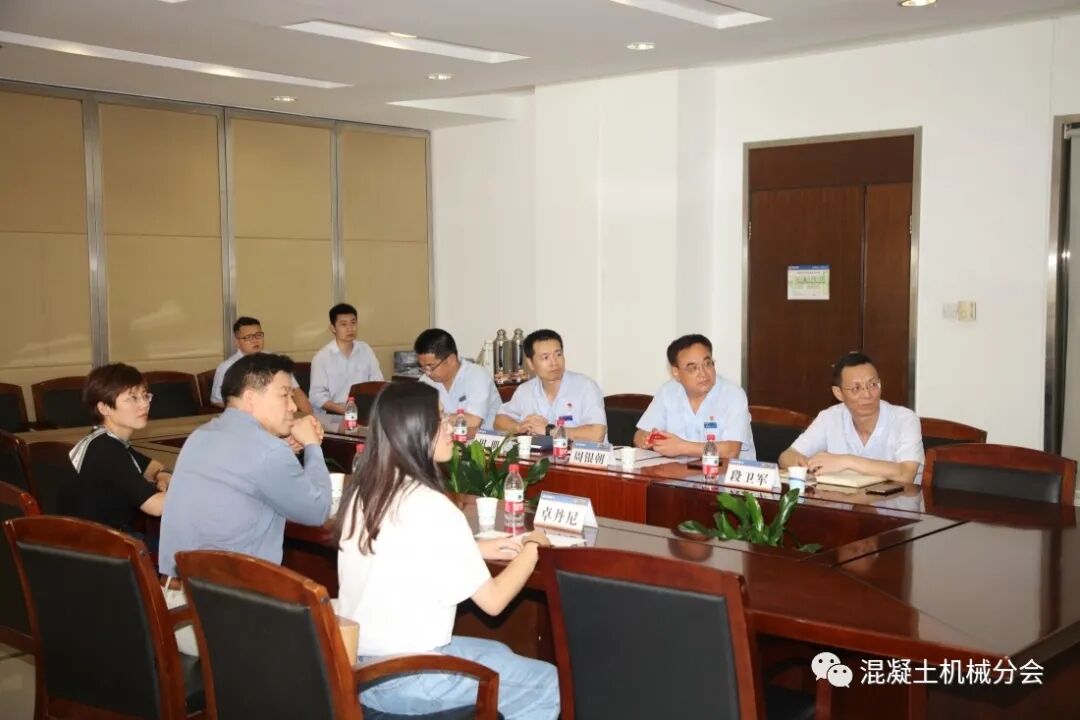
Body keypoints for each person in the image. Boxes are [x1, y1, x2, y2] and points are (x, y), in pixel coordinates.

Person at [335, 382, 559, 719]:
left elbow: (402, 550)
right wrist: (532, 547)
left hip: (360, 669)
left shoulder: (363, 492)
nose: (451, 425)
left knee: (498, 650)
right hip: (411, 676)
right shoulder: (433, 506)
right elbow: (494, 601)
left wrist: (474, 547)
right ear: (415, 430)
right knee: (548, 682)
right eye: (440, 419)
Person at [158, 353, 332, 654]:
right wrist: (312, 446)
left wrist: (283, 451)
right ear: (251, 398)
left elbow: (247, 474)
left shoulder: (200, 435)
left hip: (176, 611)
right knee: (332, 634)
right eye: (284, 395)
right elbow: (318, 511)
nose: (293, 407)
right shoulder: (267, 451)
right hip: (225, 617)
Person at [61, 363, 170, 538]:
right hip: (100, 546)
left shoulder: (103, 440)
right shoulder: (106, 450)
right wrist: (193, 486)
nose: (144, 404)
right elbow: (156, 507)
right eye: (132, 398)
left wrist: (161, 474)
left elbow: (152, 466)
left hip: (95, 539)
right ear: (104, 408)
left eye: (145, 396)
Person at [778, 351, 924, 483]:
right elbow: (787, 456)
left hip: (898, 503)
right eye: (856, 388)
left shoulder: (905, 419)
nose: (867, 395)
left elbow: (906, 474)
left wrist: (846, 462)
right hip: (842, 501)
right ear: (838, 393)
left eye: (873, 385)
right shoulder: (830, 417)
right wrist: (808, 466)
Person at [634, 334, 755, 460]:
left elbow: (731, 451)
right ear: (676, 372)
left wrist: (681, 447)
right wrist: (644, 438)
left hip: (727, 471)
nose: (703, 374)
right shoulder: (667, 392)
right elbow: (639, 434)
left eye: (707, 364)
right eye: (693, 368)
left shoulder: (733, 394)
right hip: (679, 470)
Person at [493, 329, 606, 442]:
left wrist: (549, 431)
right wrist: (519, 427)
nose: (554, 362)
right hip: (540, 453)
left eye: (558, 354)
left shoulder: (586, 387)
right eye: (545, 357)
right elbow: (499, 421)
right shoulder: (525, 390)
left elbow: (597, 435)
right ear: (530, 363)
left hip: (580, 453)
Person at [210, 315, 313, 415]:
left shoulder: (276, 361)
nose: (255, 340)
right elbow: (217, 400)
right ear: (237, 342)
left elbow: (297, 393)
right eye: (248, 337)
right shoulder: (227, 367)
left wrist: (310, 417)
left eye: (258, 335)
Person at [415, 328, 500, 429]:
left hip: (484, 439)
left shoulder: (477, 376)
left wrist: (436, 417)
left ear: (451, 360)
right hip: (447, 438)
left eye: (431, 366)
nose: (427, 373)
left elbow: (473, 421)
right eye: (423, 367)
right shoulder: (425, 381)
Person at [309, 303, 383, 415]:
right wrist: (344, 410)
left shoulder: (366, 350)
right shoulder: (322, 358)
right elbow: (316, 396)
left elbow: (377, 382)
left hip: (364, 410)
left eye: (353, 323)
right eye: (343, 324)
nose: (350, 329)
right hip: (334, 413)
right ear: (333, 328)